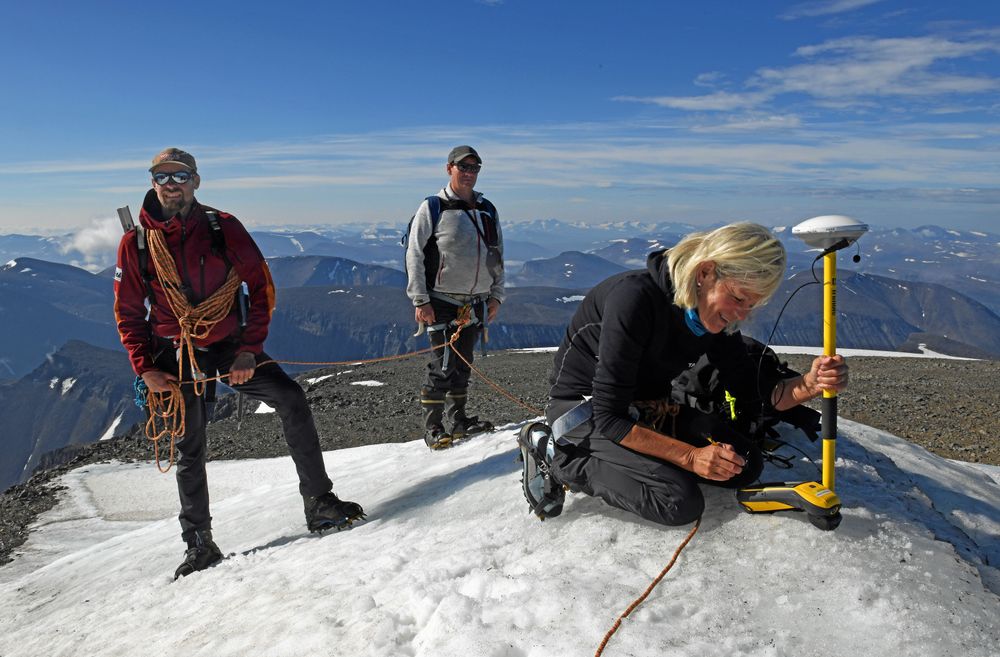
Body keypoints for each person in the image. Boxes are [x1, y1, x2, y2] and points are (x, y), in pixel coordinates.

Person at [114, 148, 364, 579]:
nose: (171, 183)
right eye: (162, 175)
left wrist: (250, 348)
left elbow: (260, 286)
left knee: (290, 398)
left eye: (181, 175)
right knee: (190, 447)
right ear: (152, 181)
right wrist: (145, 367)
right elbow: (129, 311)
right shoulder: (135, 243)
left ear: (196, 181)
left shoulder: (222, 228)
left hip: (229, 344)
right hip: (173, 354)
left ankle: (319, 502)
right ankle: (199, 544)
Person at [517, 222, 849, 524]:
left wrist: (808, 385)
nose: (741, 313)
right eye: (737, 297)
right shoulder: (634, 299)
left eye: (752, 305)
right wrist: (690, 457)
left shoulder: (710, 314)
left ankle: (637, 466)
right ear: (705, 273)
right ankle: (558, 456)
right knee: (677, 501)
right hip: (583, 413)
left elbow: (751, 393)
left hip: (646, 408)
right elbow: (610, 417)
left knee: (743, 464)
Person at [405, 145, 505, 449]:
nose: (469, 173)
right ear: (449, 168)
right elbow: (414, 253)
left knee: (463, 364)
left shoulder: (487, 210)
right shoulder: (434, 207)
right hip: (441, 301)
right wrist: (420, 299)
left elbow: (497, 254)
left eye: (475, 168)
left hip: (476, 302)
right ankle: (433, 427)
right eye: (464, 167)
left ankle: (459, 421)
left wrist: (496, 295)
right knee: (442, 364)